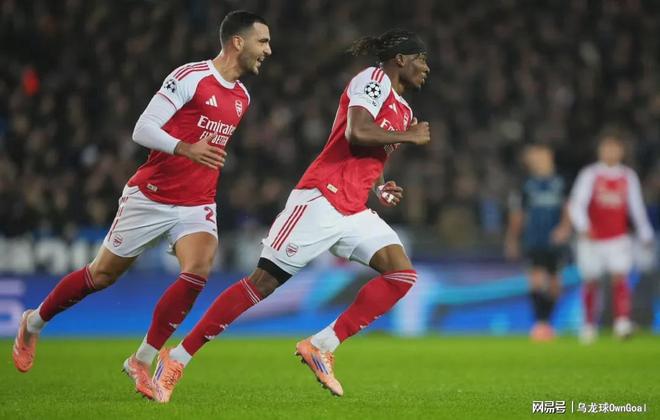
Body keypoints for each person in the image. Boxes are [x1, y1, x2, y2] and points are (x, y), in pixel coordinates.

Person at [149, 29, 431, 403]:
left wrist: (379, 187)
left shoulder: (404, 109)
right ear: (401, 59)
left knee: (402, 275)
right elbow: (356, 131)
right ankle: (177, 358)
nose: (426, 68)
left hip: (353, 208)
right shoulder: (373, 80)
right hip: (321, 199)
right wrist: (409, 137)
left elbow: (370, 154)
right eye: (421, 59)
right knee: (262, 284)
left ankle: (321, 345)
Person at [12, 10, 272, 399]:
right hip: (151, 195)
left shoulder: (243, 98)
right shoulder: (191, 77)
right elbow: (142, 129)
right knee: (101, 276)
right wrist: (185, 148)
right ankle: (33, 322)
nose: (268, 50)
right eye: (262, 41)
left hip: (197, 202)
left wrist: (197, 159)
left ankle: (141, 359)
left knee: (198, 270)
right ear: (238, 41)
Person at [568, 132, 654, 343]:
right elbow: (576, 204)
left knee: (620, 277)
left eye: (614, 148)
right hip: (592, 238)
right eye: (606, 148)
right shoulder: (590, 174)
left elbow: (636, 206)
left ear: (621, 152)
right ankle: (588, 325)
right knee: (591, 281)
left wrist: (645, 231)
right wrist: (584, 227)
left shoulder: (628, 176)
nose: (610, 152)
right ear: (600, 151)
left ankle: (622, 323)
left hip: (618, 237)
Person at [505, 144, 571, 341]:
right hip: (534, 239)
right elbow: (518, 214)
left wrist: (565, 228)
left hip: (555, 240)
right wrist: (512, 239)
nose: (538, 160)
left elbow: (569, 207)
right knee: (536, 280)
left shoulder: (561, 182)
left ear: (550, 156)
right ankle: (540, 323)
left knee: (555, 284)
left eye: (541, 156)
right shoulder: (525, 184)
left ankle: (547, 322)